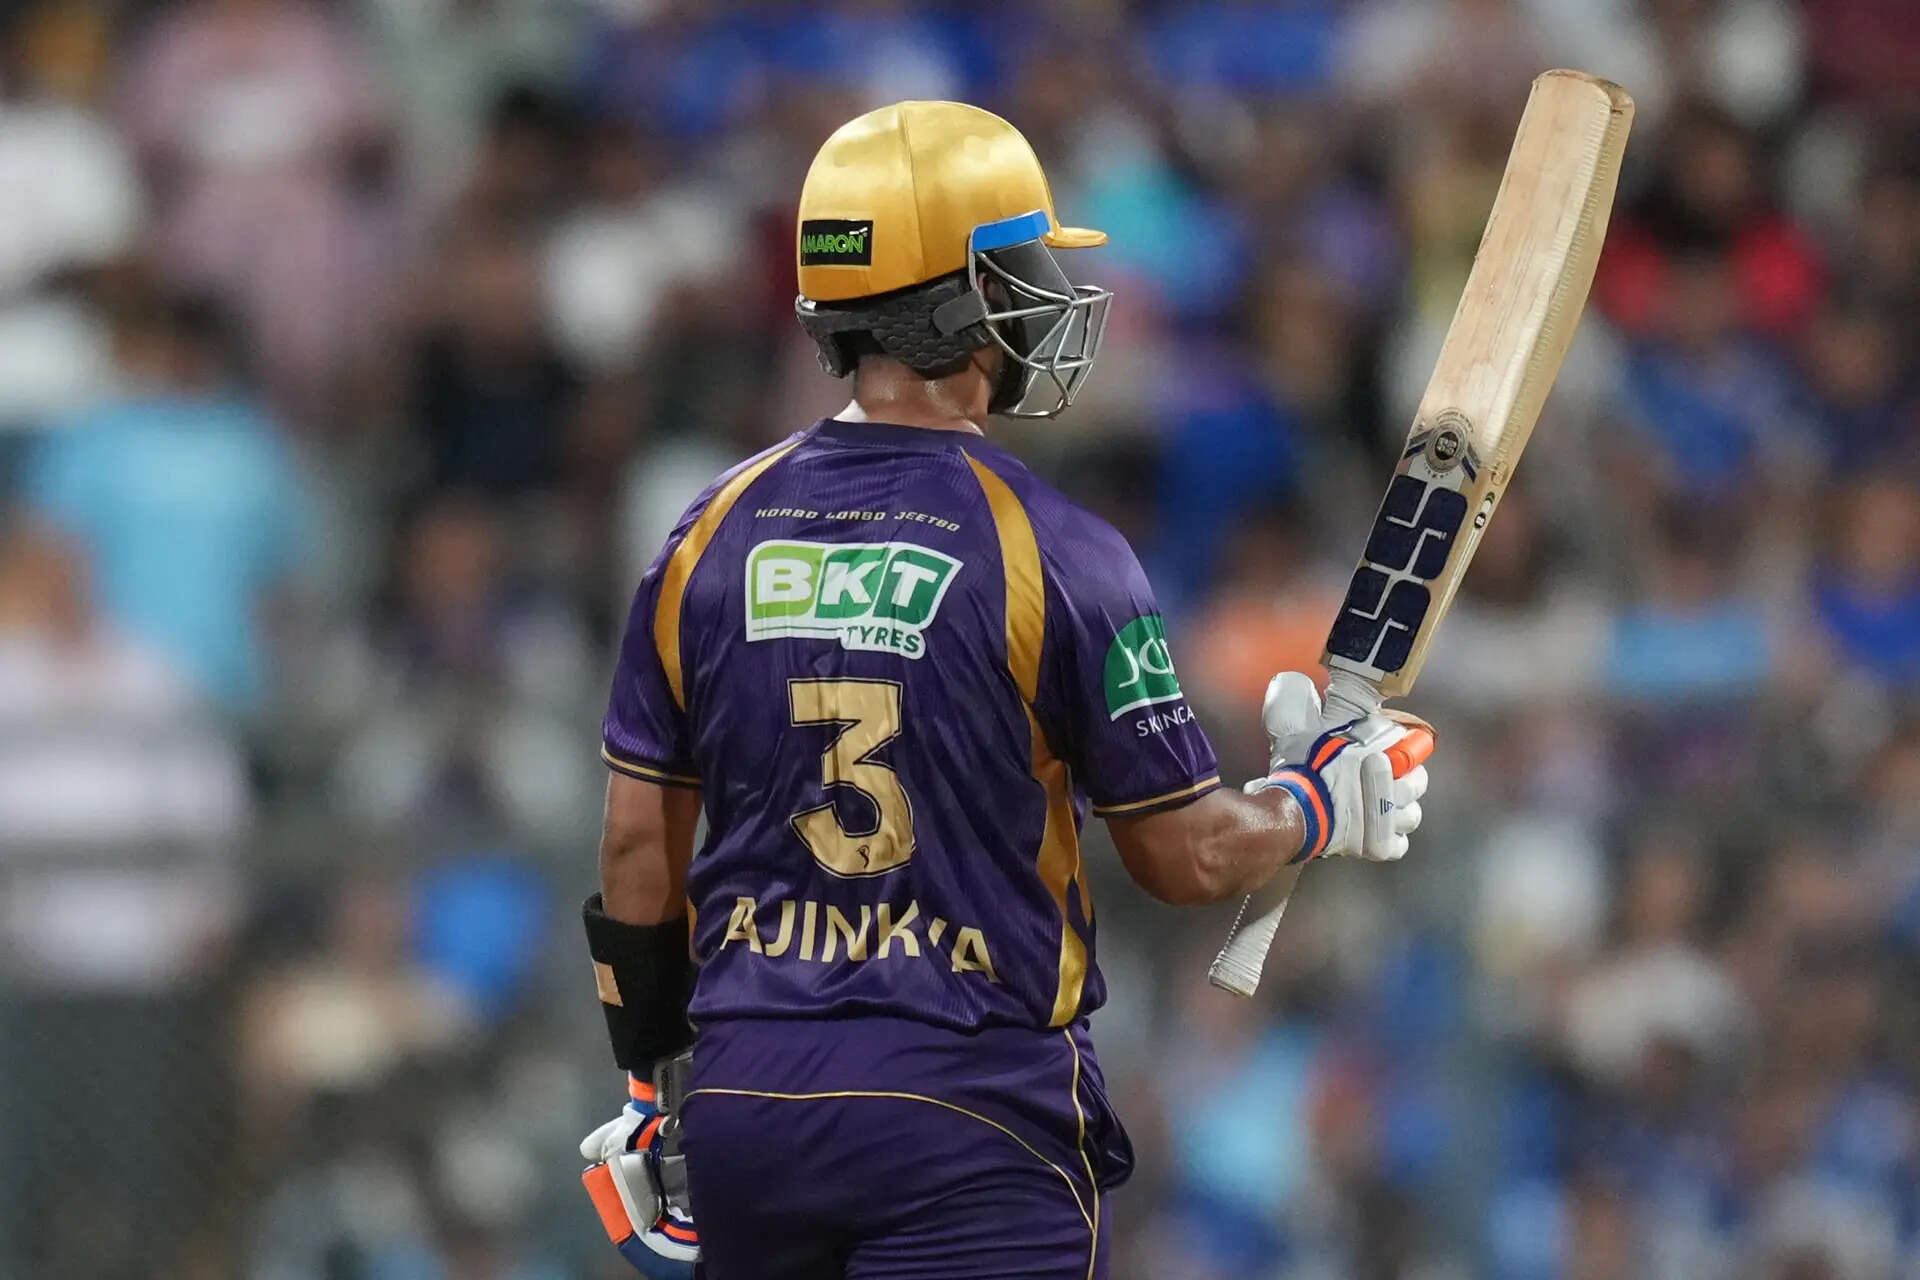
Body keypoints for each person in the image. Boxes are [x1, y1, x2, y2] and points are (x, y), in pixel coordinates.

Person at [573, 100, 1433, 1280]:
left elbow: (637, 849)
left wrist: (651, 1085)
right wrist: (1316, 801)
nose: (1045, 295)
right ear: (967, 299)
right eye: (1023, 266)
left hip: (749, 1106)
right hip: (969, 1116)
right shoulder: (1055, 547)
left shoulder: (703, 535)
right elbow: (1184, 854)